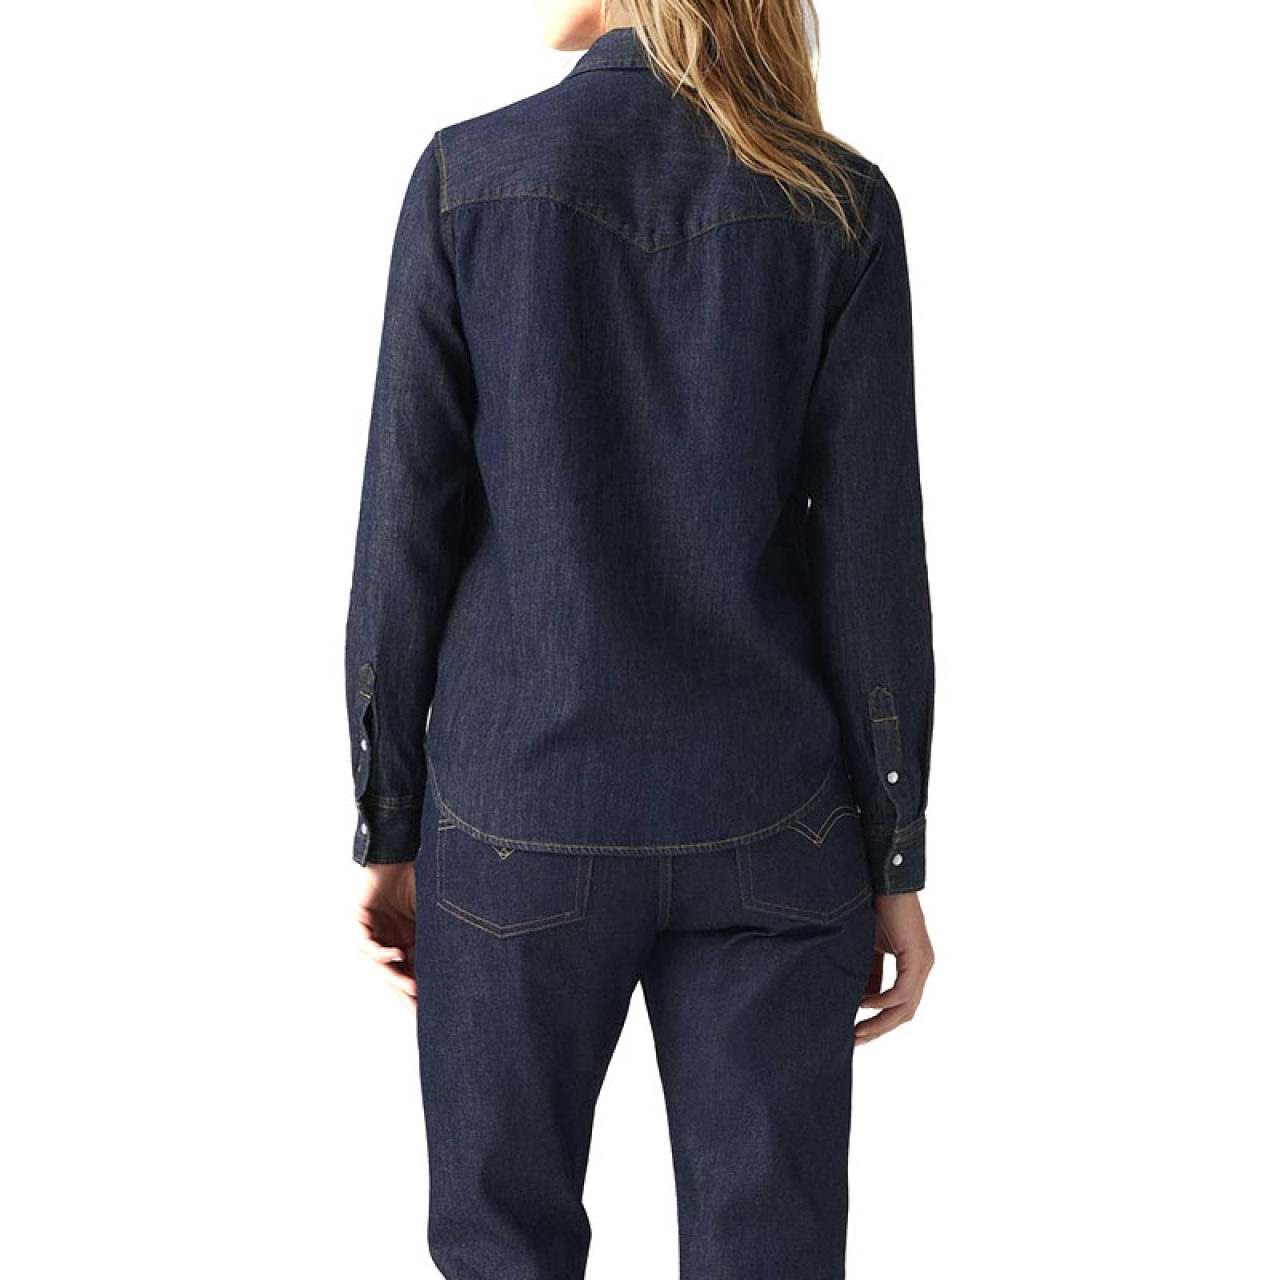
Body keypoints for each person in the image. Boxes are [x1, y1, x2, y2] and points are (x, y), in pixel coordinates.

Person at [345, 2, 936, 1275]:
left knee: (501, 1248)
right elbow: (871, 563)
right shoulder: (836, 202)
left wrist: (387, 822)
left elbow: (403, 532)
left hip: (514, 815)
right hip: (774, 824)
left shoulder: (467, 176)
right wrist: (894, 856)